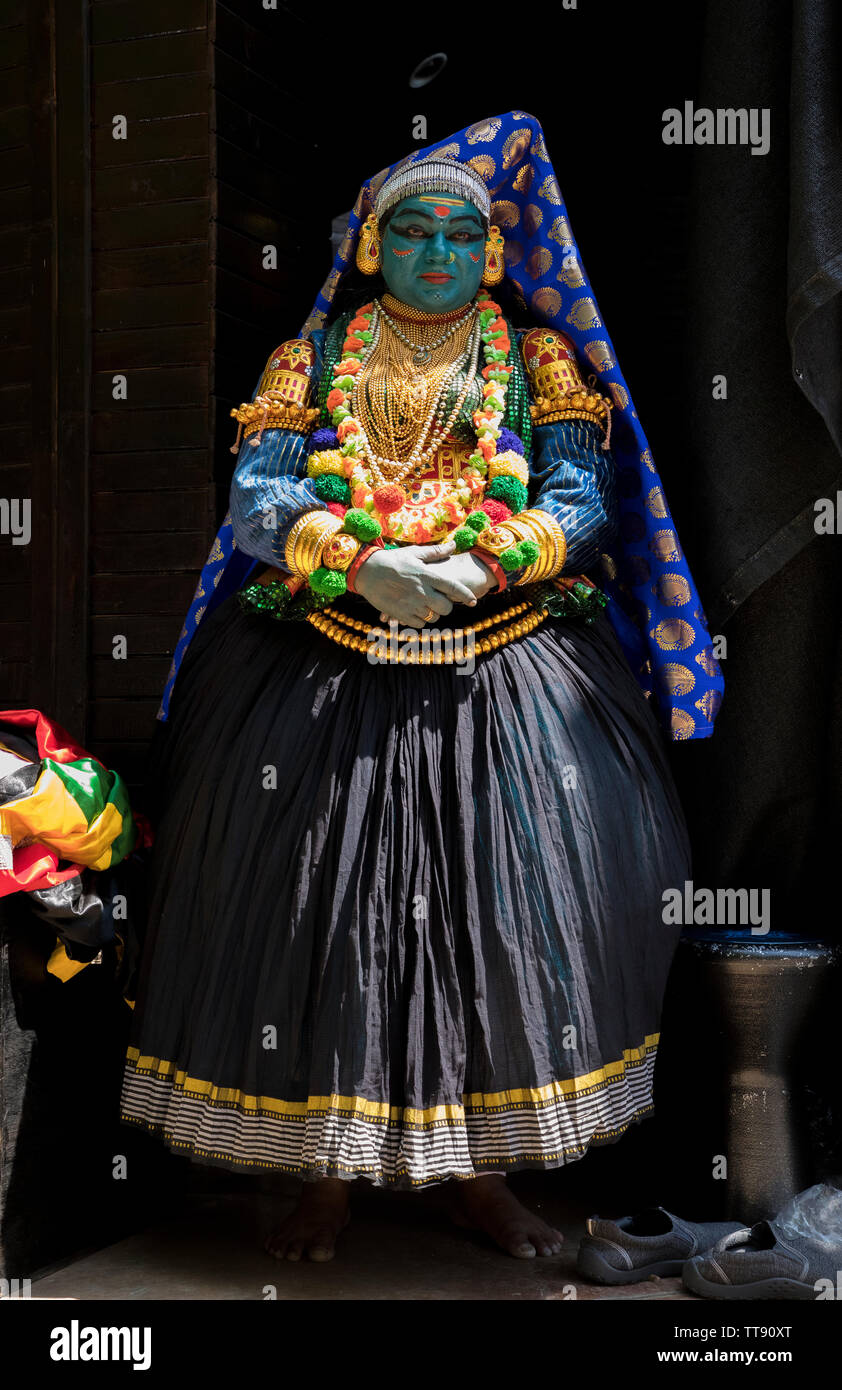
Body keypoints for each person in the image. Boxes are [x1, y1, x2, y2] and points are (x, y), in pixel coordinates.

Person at [120, 112, 722, 1264]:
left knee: (496, 917)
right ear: (369, 246)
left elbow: (582, 498)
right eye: (414, 234)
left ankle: (480, 1177)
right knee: (318, 915)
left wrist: (481, 559)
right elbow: (256, 496)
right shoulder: (310, 358)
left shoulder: (540, 359)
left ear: (494, 253)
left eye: (460, 235)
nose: (437, 254)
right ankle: (324, 1181)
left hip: (507, 655)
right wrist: (354, 557)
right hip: (314, 656)